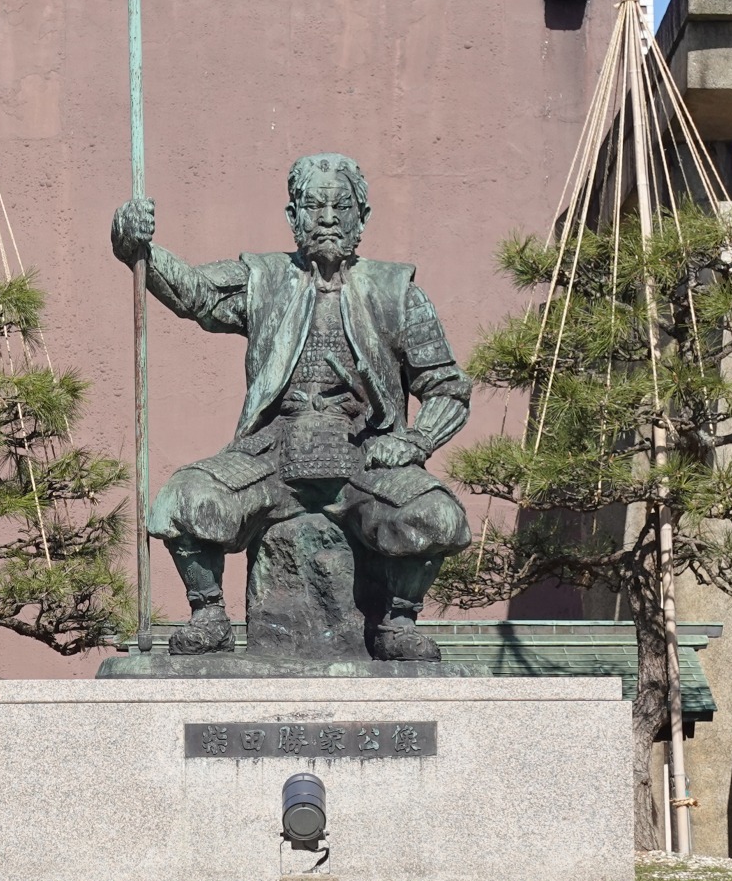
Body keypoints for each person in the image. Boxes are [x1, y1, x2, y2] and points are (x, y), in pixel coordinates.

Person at [110, 153, 472, 660]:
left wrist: (413, 442)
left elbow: (448, 388)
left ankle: (398, 621)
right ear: (292, 215)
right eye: (313, 205)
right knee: (185, 498)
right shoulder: (263, 278)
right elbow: (195, 295)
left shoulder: (398, 294)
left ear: (361, 217)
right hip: (271, 455)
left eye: (341, 205)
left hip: (362, 459)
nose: (327, 217)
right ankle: (209, 613)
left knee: (438, 515)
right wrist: (137, 246)